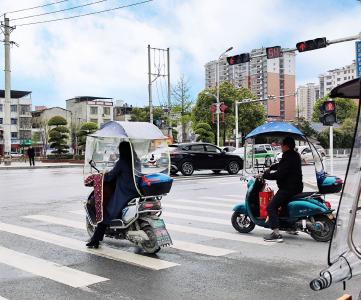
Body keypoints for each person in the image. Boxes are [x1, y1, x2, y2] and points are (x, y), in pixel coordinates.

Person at [86, 141, 140, 248]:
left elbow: (110, 176)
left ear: (122, 151)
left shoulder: (121, 162)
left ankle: (95, 241)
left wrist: (100, 176)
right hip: (136, 191)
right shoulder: (136, 161)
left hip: (124, 192)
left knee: (106, 214)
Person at [261, 136, 303, 242]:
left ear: (286, 146)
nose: (280, 146)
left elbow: (279, 174)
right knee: (284, 207)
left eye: (282, 145)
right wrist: (271, 167)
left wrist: (264, 175)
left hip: (288, 188)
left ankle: (276, 234)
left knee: (271, 207)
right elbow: (281, 165)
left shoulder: (288, 156)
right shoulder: (294, 155)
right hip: (296, 187)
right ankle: (290, 226)